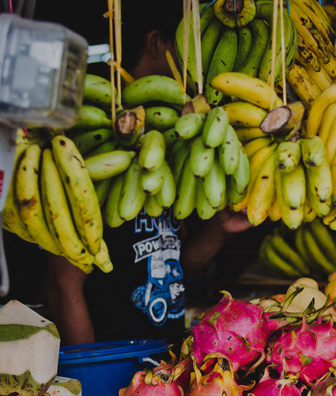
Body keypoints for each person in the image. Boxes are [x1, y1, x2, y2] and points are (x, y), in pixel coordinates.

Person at [45, 1, 253, 345]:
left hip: (165, 363)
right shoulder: (90, 148)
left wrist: (219, 231)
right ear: (156, 43)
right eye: (189, 45)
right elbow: (63, 284)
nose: (197, 59)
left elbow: (172, 261)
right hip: (111, 360)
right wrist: (91, 378)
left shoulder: (171, 143)